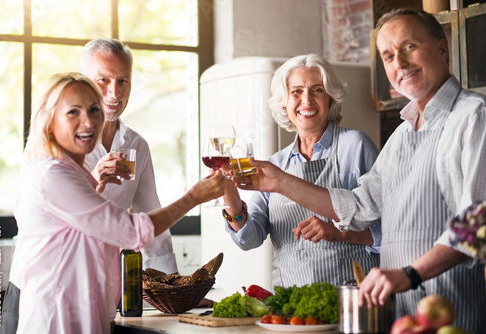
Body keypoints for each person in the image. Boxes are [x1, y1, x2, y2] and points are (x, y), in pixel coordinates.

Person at [232, 9, 486, 332]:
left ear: (442, 49)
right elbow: (360, 205)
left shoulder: (473, 117)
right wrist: (279, 181)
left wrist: (409, 273)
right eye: (388, 55)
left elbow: (476, 223)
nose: (400, 63)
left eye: (409, 47)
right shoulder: (401, 136)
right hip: (399, 317)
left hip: (451, 311)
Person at [5, 72, 227, 333]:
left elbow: (87, 233)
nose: (88, 121)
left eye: (93, 109)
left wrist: (175, 290)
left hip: (85, 317)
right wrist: (195, 197)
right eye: (73, 112)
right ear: (49, 122)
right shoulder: (52, 173)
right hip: (57, 321)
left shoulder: (76, 170)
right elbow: (131, 230)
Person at [222, 54, 381, 288]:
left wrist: (340, 232)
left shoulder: (355, 145)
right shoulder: (276, 163)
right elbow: (248, 238)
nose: (307, 100)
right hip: (291, 304)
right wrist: (228, 193)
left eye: (317, 90)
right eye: (296, 91)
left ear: (330, 98)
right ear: (284, 102)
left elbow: (390, 230)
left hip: (351, 298)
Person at [80, 38, 178, 274]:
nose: (114, 92)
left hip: (104, 279)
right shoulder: (62, 141)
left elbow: (152, 219)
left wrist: (174, 287)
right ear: (82, 81)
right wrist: (96, 180)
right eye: (103, 80)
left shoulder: (137, 146)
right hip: (47, 280)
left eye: (123, 81)